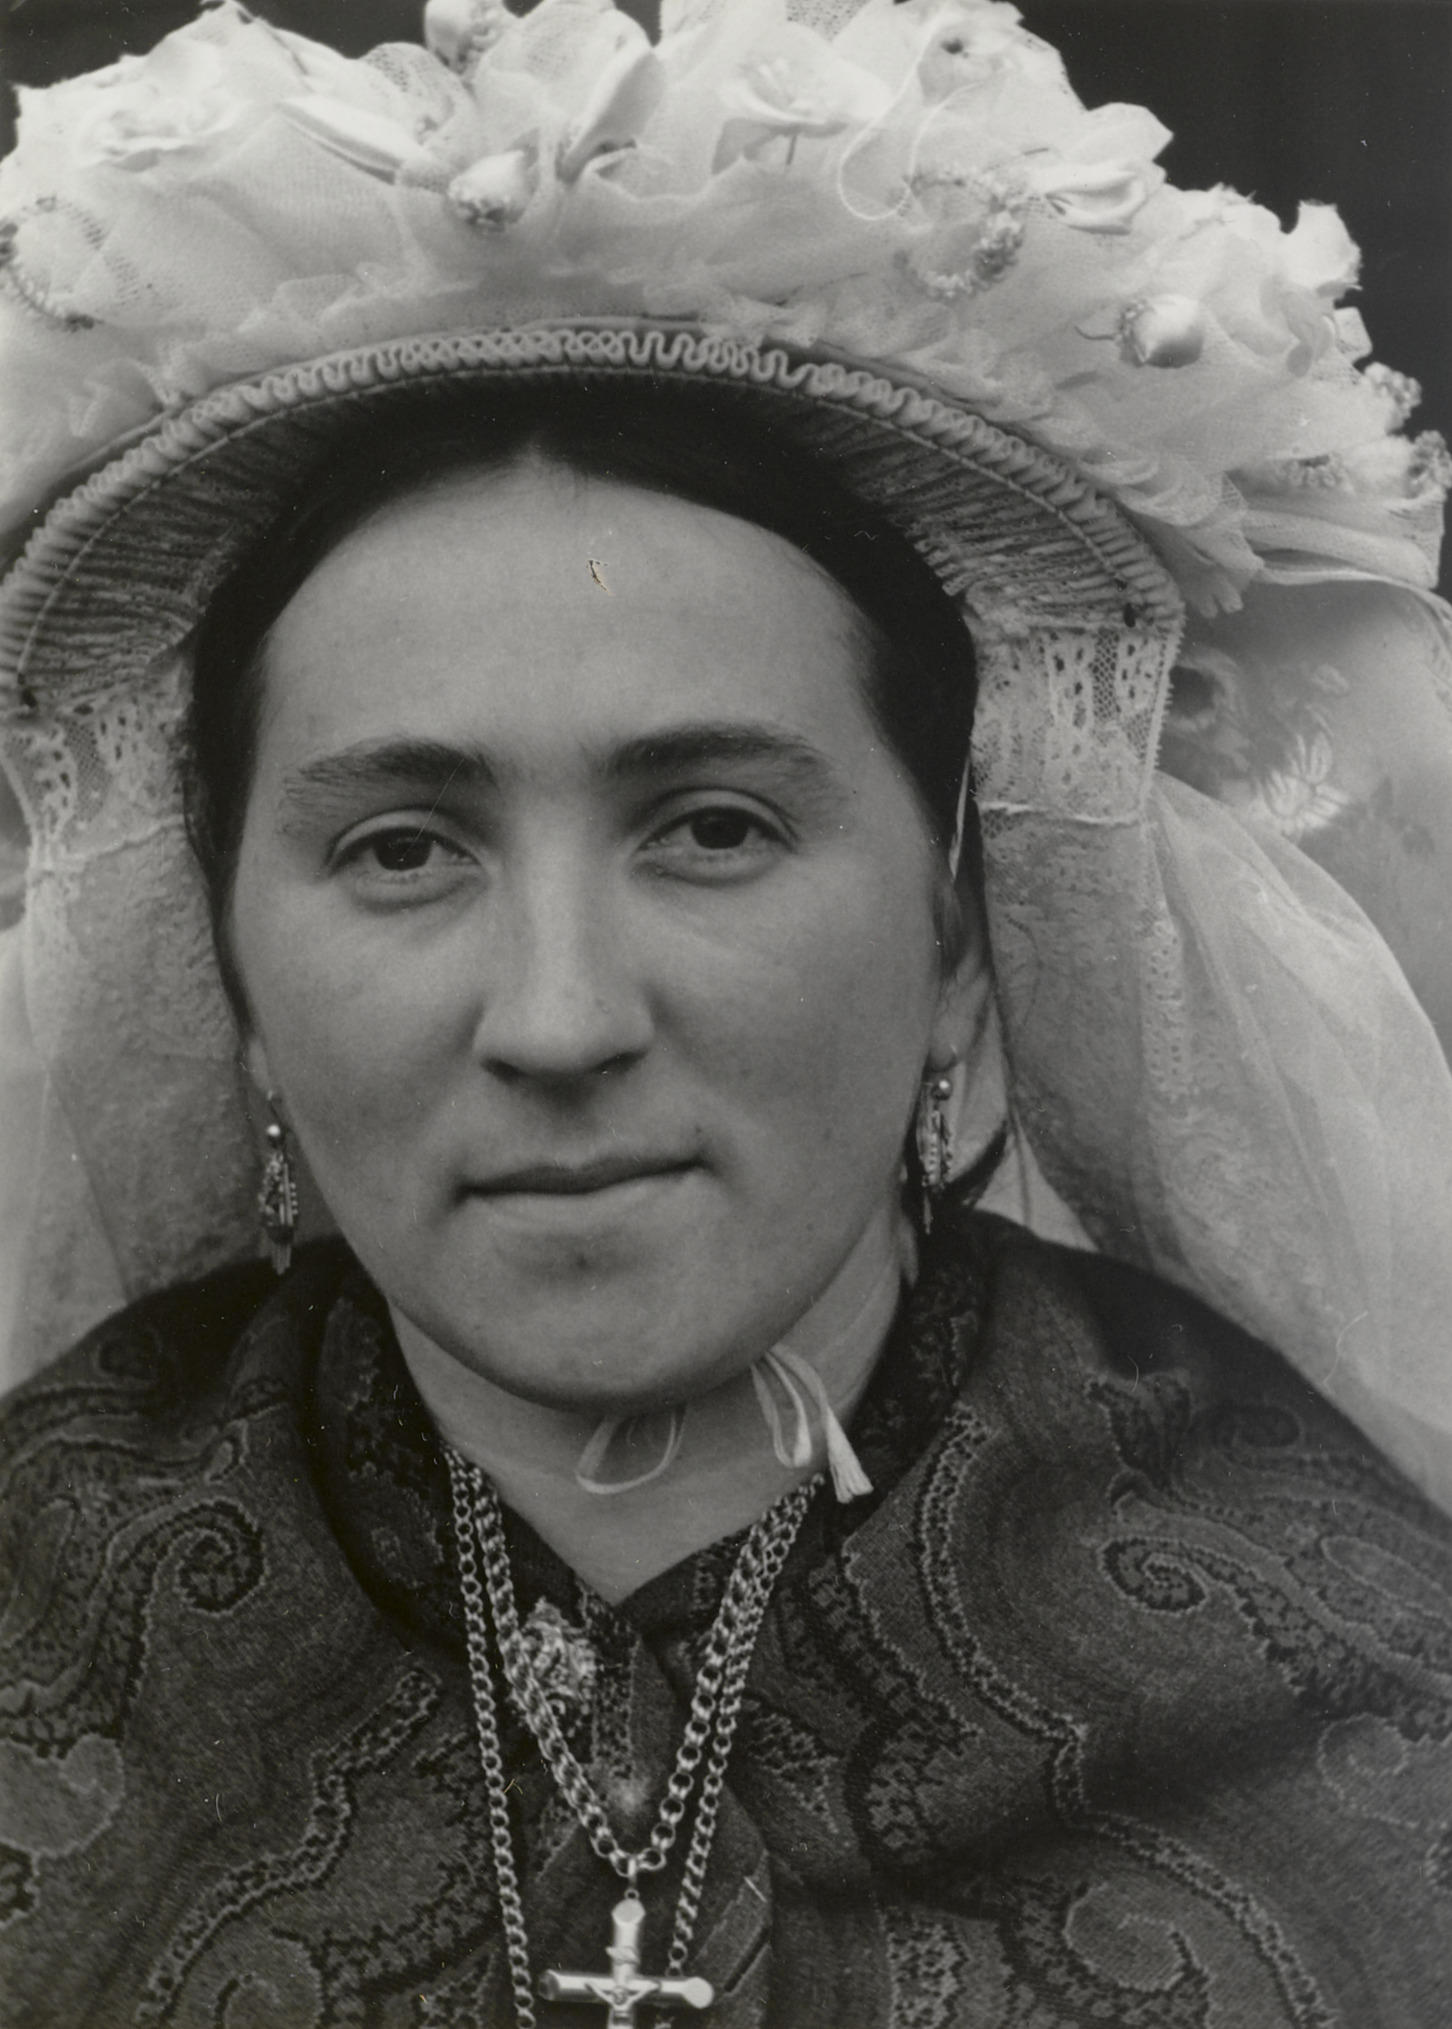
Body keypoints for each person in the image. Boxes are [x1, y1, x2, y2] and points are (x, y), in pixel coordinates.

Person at [1, 2, 1451, 2023]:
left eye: (711, 828)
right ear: (226, 963)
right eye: (404, 848)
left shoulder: (1361, 1680)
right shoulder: (38, 1615)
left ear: (962, 929)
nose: (561, 1017)